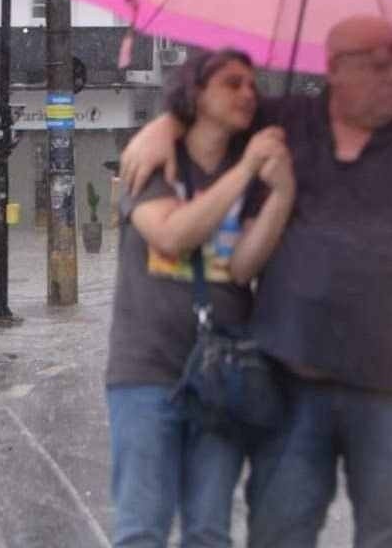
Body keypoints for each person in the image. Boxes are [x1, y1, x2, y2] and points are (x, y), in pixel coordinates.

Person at [119, 16, 392, 548]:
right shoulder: (287, 122)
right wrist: (162, 127)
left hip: (390, 387)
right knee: (278, 530)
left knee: (386, 534)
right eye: (376, 65)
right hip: (292, 382)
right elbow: (212, 112)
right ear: (336, 70)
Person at [107, 49, 295, 548]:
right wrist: (247, 170)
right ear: (196, 90)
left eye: (253, 85)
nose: (247, 93)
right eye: (233, 83)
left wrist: (280, 195)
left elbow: (243, 267)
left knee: (209, 532)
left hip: (221, 375)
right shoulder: (153, 162)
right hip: (147, 372)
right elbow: (170, 235)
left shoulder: (250, 171)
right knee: (141, 530)